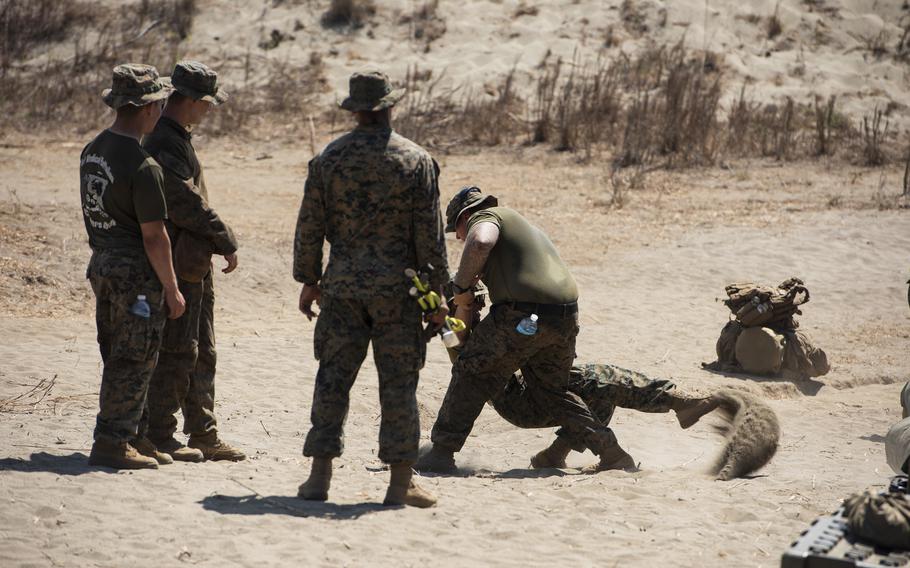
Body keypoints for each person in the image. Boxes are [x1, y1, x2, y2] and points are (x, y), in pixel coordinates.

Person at [293, 70, 448, 507]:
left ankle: (318, 477)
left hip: (341, 288)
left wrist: (309, 279)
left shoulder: (329, 159)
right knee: (398, 384)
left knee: (332, 379)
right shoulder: (415, 160)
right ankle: (401, 483)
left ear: (355, 110)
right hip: (397, 293)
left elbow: (310, 227)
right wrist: (437, 299)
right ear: (390, 107)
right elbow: (430, 239)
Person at [416, 186, 643, 473]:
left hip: (524, 317)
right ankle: (611, 452)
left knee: (474, 372)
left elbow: (480, 241)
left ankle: (441, 452)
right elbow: (455, 340)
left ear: (465, 216)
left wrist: (462, 291)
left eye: (457, 230)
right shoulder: (522, 229)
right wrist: (461, 302)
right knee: (555, 390)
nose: (459, 237)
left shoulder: (486, 218)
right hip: (564, 314)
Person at [445, 283, 718, 470]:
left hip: (532, 392)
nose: (479, 304)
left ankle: (554, 455)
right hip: (523, 401)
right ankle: (672, 401)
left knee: (597, 388)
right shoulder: (456, 334)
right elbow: (459, 339)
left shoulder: (484, 325)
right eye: (474, 301)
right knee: (595, 379)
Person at [79, 63, 186, 470]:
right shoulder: (144, 166)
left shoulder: (93, 150)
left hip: (102, 263)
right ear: (147, 108)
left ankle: (132, 434)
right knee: (135, 355)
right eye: (159, 103)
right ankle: (113, 441)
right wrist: (172, 288)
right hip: (134, 275)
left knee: (115, 350)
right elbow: (155, 236)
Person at [141, 61, 244, 463]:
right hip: (178, 261)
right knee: (179, 349)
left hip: (192, 260)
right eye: (206, 103)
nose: (209, 111)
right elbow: (185, 202)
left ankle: (203, 432)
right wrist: (225, 237)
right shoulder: (165, 142)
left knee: (201, 350)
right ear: (191, 101)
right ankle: (162, 434)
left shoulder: (175, 137)